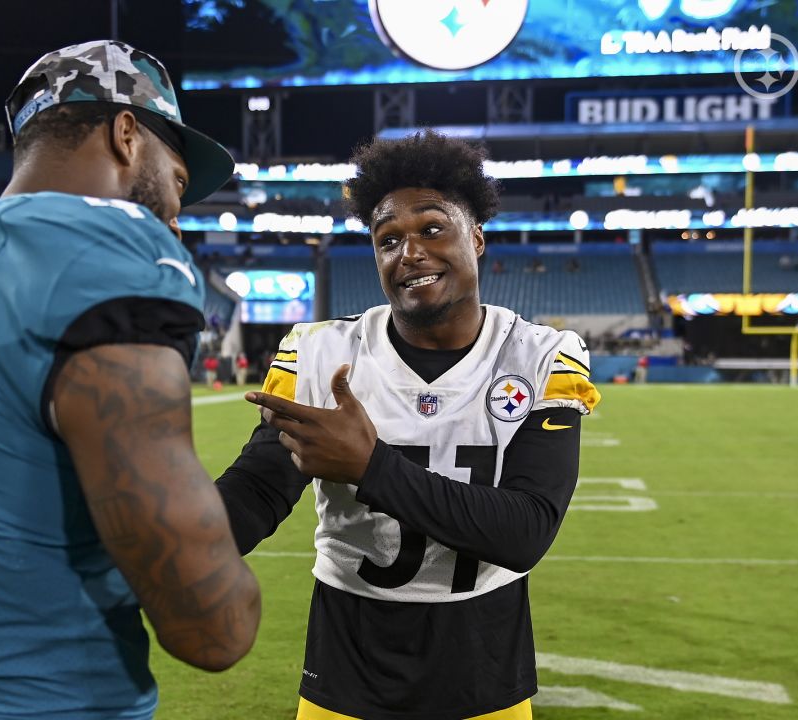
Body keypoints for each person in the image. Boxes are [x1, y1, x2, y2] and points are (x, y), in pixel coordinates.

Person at [0, 41, 260, 720]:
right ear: (127, 134)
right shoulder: (109, 245)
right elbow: (214, 629)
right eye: (178, 181)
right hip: (60, 701)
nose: (176, 217)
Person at [216, 130, 601, 720]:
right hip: (348, 660)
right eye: (387, 238)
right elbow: (259, 490)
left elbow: (525, 531)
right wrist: (170, 548)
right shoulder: (322, 351)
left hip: (484, 666)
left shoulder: (537, 355)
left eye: (432, 228)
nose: (409, 252)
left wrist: (372, 468)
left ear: (476, 236)